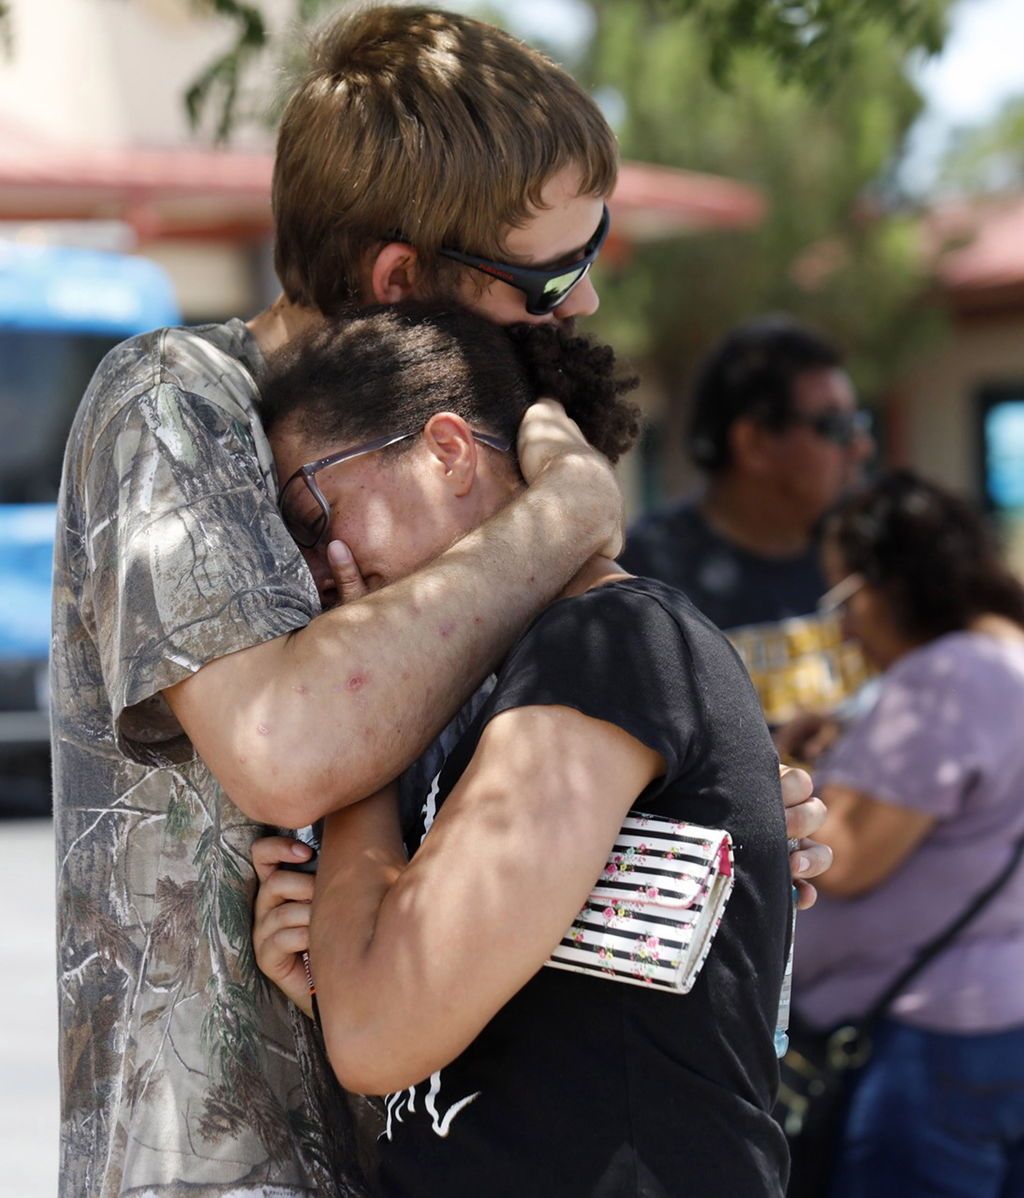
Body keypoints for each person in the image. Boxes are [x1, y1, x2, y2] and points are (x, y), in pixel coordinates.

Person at [51, 7, 827, 1196]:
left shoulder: (458, 520)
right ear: (401, 279)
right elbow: (286, 747)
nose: (581, 304)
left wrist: (707, 828)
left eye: (591, 251)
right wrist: (565, 514)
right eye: (548, 274)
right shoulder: (179, 399)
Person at [252, 303, 794, 1197]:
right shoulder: (502, 689)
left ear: (447, 451)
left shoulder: (610, 644)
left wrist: (355, 728)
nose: (313, 569)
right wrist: (338, 960)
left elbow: (378, 1035)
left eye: (314, 516)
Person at [777, 471, 1024, 1197]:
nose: (845, 629)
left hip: (927, 1042)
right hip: (989, 1022)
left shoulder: (948, 678)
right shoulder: (1005, 658)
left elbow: (845, 857)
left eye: (842, 600)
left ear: (889, 585)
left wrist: (782, 769)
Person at [620, 315, 875, 727]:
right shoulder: (644, 581)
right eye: (837, 427)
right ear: (754, 443)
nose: (862, 447)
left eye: (859, 423)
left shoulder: (871, 554)